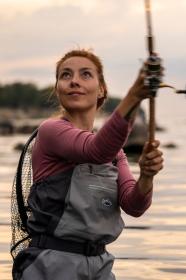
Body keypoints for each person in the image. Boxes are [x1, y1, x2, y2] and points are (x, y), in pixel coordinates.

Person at [12, 49, 164, 280]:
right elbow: (95, 150)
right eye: (65, 75)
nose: (74, 81)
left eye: (85, 74)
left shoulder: (116, 154)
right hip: (51, 263)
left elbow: (135, 206)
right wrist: (135, 95)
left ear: (101, 89)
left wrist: (146, 176)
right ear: (58, 89)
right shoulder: (51, 131)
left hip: (100, 265)